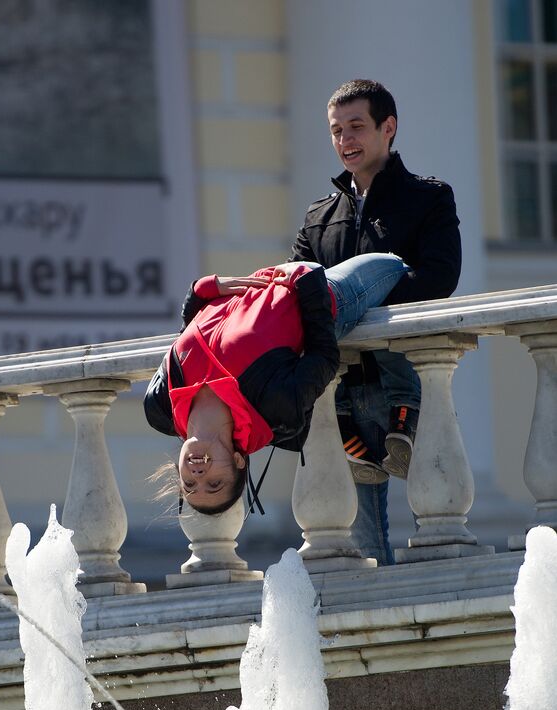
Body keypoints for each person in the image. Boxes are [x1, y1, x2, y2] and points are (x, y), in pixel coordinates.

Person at [289, 79, 461, 562]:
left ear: (388, 128)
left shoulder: (428, 197)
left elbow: (439, 277)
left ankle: (436, 612)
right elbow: (297, 293)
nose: (345, 140)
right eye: (336, 130)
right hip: (340, 392)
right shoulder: (318, 217)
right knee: (363, 544)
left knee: (441, 526)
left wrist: (361, 302)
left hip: (409, 379)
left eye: (356, 127)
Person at [144, 252, 409, 515]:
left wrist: (202, 291)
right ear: (238, 461)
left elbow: (183, 341)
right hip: (323, 291)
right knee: (400, 264)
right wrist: (306, 282)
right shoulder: (275, 409)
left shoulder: (160, 405)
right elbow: (324, 358)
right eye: (215, 484)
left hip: (268, 277)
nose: (199, 476)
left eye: (189, 485)